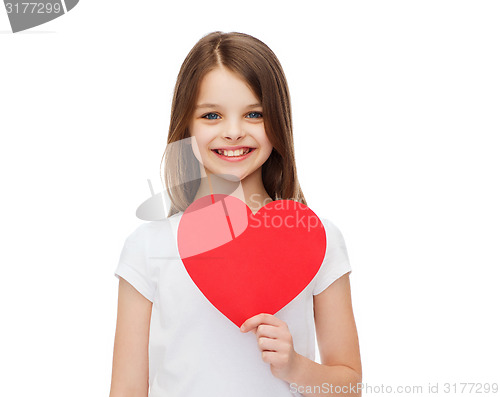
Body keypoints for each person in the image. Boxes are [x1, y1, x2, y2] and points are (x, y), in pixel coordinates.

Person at [109, 31, 362, 397]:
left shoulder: (317, 238)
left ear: (278, 123)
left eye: (254, 114)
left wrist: (296, 367)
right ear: (186, 125)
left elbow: (350, 385)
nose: (233, 132)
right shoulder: (147, 247)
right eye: (211, 115)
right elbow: (127, 389)